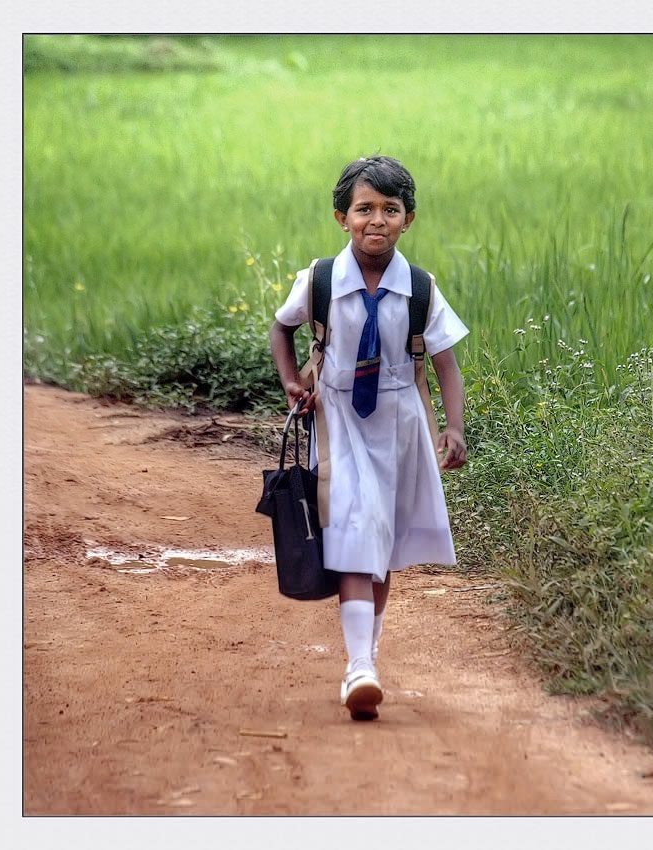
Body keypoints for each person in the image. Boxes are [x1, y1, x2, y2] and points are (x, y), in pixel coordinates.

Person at [269, 155, 468, 721]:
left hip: (401, 425)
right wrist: (291, 382)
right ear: (341, 216)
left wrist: (452, 427)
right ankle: (359, 666)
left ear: (409, 219)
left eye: (390, 209)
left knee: (380, 545)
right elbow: (282, 329)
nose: (376, 220)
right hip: (339, 423)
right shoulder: (322, 279)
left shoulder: (420, 289)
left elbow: (447, 366)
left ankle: (367, 658)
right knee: (355, 529)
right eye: (364, 209)